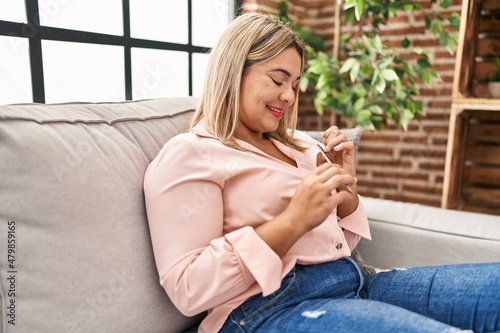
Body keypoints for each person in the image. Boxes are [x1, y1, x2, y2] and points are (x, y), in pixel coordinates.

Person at [143, 12, 500, 333]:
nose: (289, 97)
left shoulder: (297, 145)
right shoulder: (191, 153)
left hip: (356, 281)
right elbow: (187, 288)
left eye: (295, 85)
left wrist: (347, 193)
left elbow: (338, 244)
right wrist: (294, 219)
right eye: (278, 79)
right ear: (235, 70)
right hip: (265, 309)